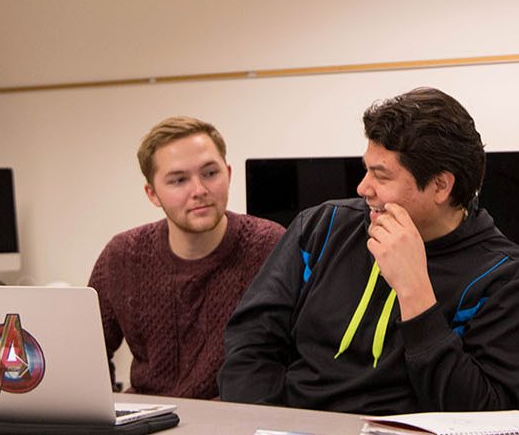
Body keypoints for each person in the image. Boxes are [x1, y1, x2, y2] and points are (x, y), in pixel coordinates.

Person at [218, 87, 519, 414]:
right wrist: (264, 419)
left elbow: (485, 411)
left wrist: (413, 289)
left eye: (381, 175)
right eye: (367, 169)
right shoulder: (321, 227)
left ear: (440, 186)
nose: (363, 188)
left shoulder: (503, 277)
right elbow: (250, 346)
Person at [88, 116, 285, 399]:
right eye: (179, 180)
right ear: (152, 194)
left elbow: (299, 358)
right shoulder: (122, 255)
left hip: (235, 420)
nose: (199, 191)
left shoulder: (270, 245)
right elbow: (86, 355)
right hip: (149, 418)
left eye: (210, 173)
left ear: (228, 174)